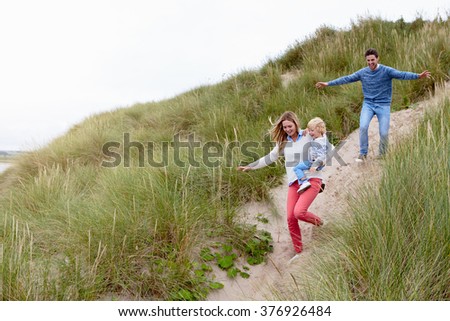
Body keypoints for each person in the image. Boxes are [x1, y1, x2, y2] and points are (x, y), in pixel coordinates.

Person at [315, 48, 431, 161]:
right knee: (363, 126)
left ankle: (382, 155)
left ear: (377, 59)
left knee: (384, 132)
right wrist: (327, 83)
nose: (370, 63)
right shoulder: (363, 72)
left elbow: (402, 74)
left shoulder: (386, 71)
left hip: (383, 105)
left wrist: (418, 76)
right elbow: (347, 79)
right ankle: (363, 153)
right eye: (368, 60)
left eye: (372, 60)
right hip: (368, 104)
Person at [237, 111, 324, 262]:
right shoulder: (283, 143)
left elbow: (323, 139)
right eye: (285, 127)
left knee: (299, 212)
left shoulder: (307, 135)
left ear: (296, 123)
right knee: (291, 217)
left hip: (312, 179)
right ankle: (299, 252)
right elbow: (270, 157)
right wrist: (251, 166)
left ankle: (321, 223)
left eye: (290, 126)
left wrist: (319, 163)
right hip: (293, 183)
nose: (288, 129)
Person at [293, 117, 327, 194]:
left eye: (312, 131)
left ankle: (304, 182)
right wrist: (306, 131)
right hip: (319, 164)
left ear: (319, 129)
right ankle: (320, 184)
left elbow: (321, 156)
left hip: (313, 162)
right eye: (310, 130)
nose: (310, 133)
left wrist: (314, 165)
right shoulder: (323, 137)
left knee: (297, 168)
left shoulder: (318, 142)